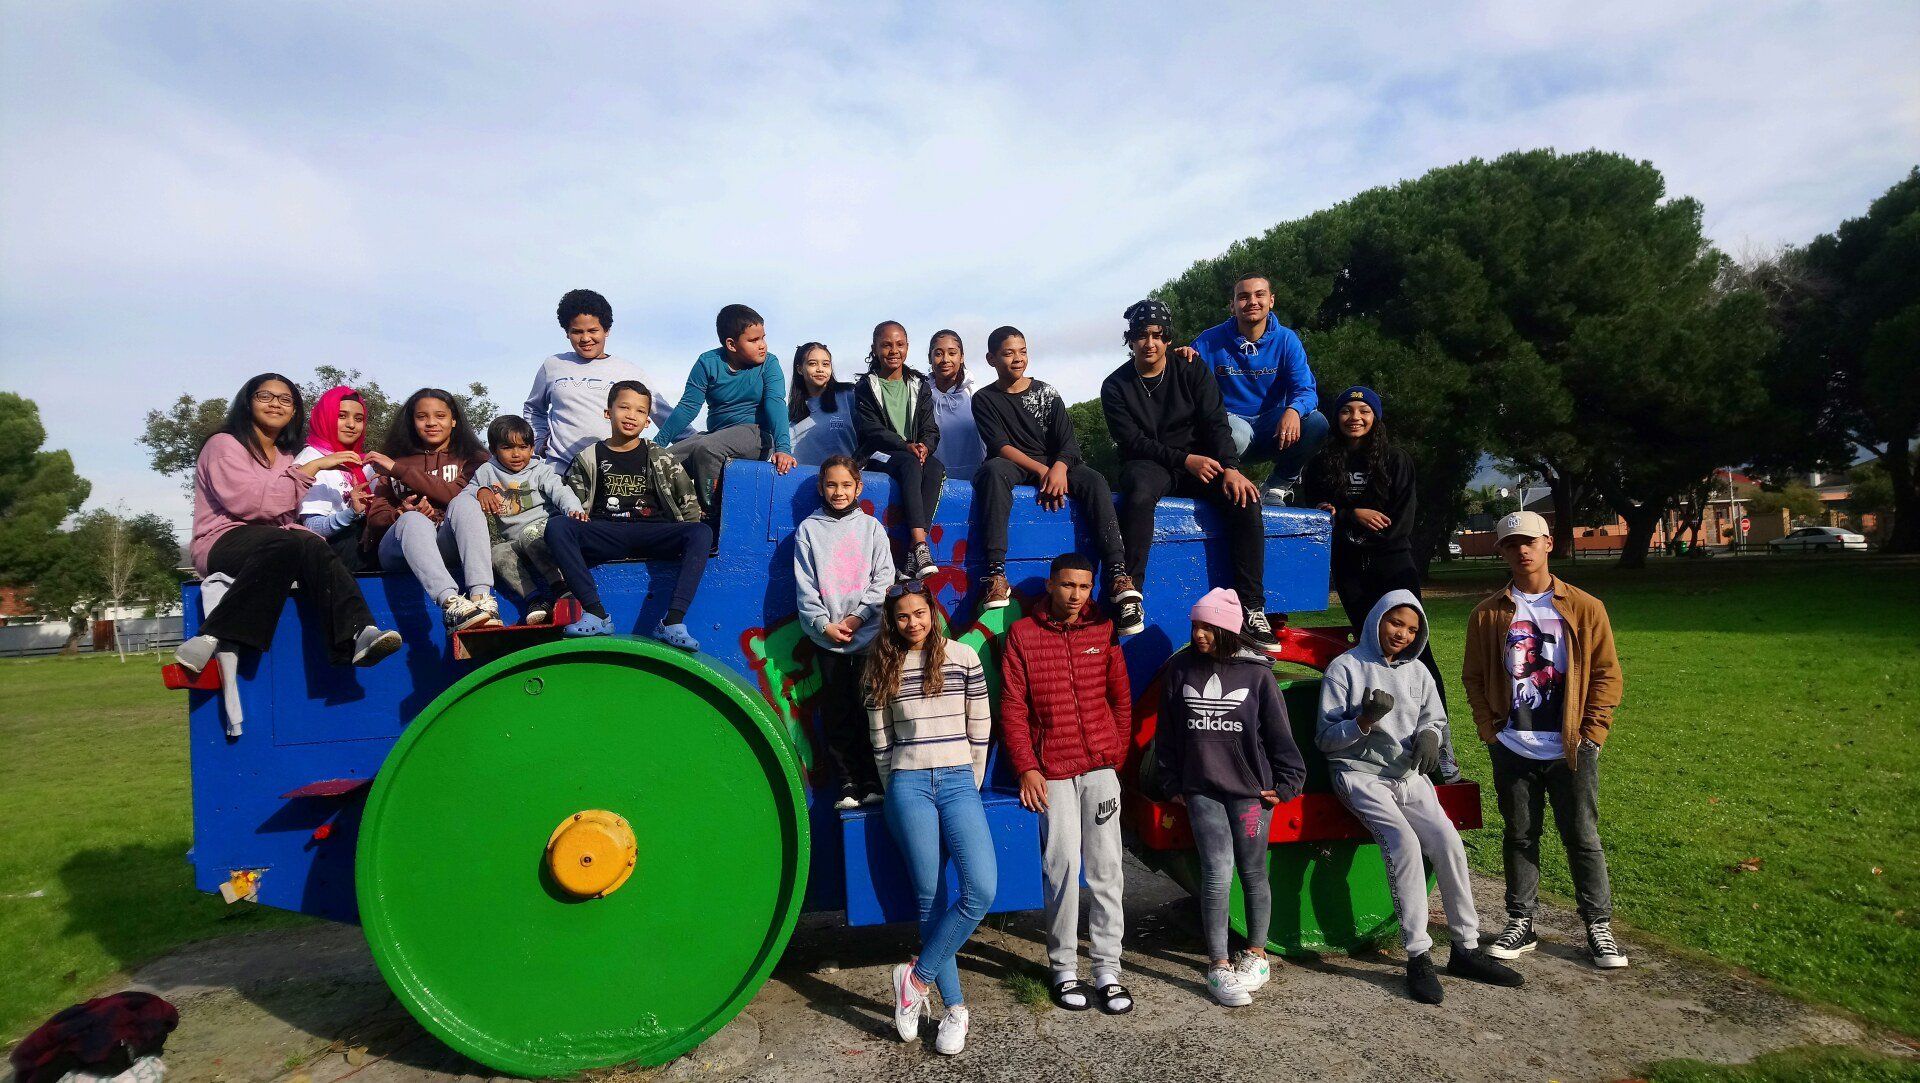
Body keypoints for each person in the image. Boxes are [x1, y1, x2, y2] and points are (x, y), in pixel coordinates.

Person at [1318, 591, 1525, 1003]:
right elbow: (1325, 740)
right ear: (1377, 619)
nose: (1403, 634)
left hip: (1408, 775)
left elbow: (1434, 716)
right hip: (1360, 775)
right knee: (1405, 845)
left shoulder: (1419, 673)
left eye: (1412, 629)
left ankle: (1465, 948)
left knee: (1448, 842)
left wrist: (1431, 735)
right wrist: (1363, 720)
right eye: (1396, 623)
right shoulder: (1345, 668)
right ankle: (1418, 955)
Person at [1464, 511, 1628, 970]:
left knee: (1582, 836)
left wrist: (1592, 732)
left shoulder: (1584, 606)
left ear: (1548, 543)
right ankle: (1521, 920)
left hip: (1571, 747)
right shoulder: (1488, 613)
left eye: (1529, 541)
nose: (1521, 550)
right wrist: (1489, 731)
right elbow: (1474, 677)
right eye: (1511, 543)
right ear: (1501, 551)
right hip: (1513, 745)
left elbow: (1606, 674)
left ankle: (1598, 926)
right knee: (1519, 834)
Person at [175, 374, 400, 675]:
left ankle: (361, 632)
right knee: (293, 541)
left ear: (294, 411)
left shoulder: (284, 457)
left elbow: (285, 517)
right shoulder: (224, 445)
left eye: (285, 399)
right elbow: (250, 505)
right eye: (265, 396)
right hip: (222, 541)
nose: (275, 404)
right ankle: (213, 633)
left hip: (277, 543)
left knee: (308, 544)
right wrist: (314, 467)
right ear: (247, 401)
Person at [1298, 385, 1461, 782]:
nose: (1355, 417)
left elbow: (1401, 521)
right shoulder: (1322, 464)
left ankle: (1440, 745)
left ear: (1375, 416)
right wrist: (1354, 514)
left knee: (1416, 653)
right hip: (1352, 568)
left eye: (1364, 410)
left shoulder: (1395, 460)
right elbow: (1317, 515)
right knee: (1370, 653)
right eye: (1347, 410)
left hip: (1392, 566)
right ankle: (1376, 745)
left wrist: (1360, 524)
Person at [1152, 587, 1305, 1007]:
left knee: (1254, 872)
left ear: (1227, 629)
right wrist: (1171, 783)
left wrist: (1289, 783)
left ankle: (1257, 954)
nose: (1199, 634)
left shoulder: (1257, 675)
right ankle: (1218, 964)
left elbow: (1279, 736)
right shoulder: (1181, 669)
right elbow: (1167, 734)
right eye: (1195, 626)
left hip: (1251, 794)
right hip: (1201, 791)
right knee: (1216, 875)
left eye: (1208, 627)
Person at [1000, 554, 1134, 1015]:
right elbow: (1013, 707)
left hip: (1099, 770)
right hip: (1051, 772)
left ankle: (1108, 971)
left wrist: (1113, 756)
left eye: (1085, 586)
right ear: (1051, 586)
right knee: (1060, 869)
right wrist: (1027, 767)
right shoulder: (1022, 634)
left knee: (1106, 870)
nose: (1077, 595)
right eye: (1068, 585)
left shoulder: (1104, 630)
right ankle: (1063, 969)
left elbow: (1120, 697)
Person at [866, 580, 993, 1056]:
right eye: (902, 616)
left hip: (960, 781)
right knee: (930, 900)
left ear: (933, 612)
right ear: (892, 622)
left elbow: (979, 722)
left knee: (981, 888)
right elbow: (880, 741)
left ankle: (914, 980)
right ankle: (955, 1009)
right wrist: (896, 784)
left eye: (920, 612)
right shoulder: (883, 665)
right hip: (909, 784)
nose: (913, 623)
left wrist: (970, 777)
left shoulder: (963, 657)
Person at [1101, 299, 1273, 646]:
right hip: (1151, 462)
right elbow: (1132, 442)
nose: (1150, 343)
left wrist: (1233, 468)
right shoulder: (1115, 386)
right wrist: (1185, 460)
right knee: (1136, 492)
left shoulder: (1191, 368)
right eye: (1142, 335)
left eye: (1158, 335)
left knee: (1244, 499)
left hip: (1201, 462)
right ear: (1130, 340)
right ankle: (1128, 596)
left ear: (1167, 339)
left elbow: (1215, 422)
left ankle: (1252, 607)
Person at [971, 326, 1135, 621]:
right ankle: (995, 575)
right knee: (992, 471)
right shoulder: (984, 399)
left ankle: (1118, 574)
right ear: (991, 358)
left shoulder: (1045, 392)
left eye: (1022, 351)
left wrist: (1058, 468)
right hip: (1017, 464)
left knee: (1095, 479)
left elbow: (1068, 442)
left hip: (1056, 463)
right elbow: (1000, 446)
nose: (1017, 359)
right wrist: (1043, 471)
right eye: (1008, 353)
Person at [546, 381, 710, 650]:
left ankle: (673, 622)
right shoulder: (588, 457)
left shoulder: (660, 457)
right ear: (608, 412)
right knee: (558, 527)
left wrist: (690, 535)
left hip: (653, 531)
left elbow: (687, 501)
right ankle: (596, 613)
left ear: (648, 421)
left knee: (701, 532)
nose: (631, 415)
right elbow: (572, 502)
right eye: (624, 407)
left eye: (640, 411)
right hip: (606, 530)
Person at [1178, 272, 1329, 503]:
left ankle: (1276, 487)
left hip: (1272, 428)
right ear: (1232, 305)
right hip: (1229, 428)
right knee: (1237, 433)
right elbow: (1187, 389)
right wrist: (1180, 360)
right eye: (1243, 297)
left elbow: (1306, 390)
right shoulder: (1209, 340)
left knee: (1317, 423)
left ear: (1271, 300)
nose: (1252, 302)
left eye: (1260, 295)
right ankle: (1220, 487)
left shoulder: (1287, 339)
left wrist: (1294, 410)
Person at [794, 455, 893, 808]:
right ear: (822, 487)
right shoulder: (809, 530)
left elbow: (884, 578)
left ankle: (872, 780)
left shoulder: (871, 528)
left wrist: (857, 619)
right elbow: (805, 586)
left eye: (846, 485)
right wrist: (824, 625)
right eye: (832, 484)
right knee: (836, 712)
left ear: (858, 488)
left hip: (868, 638)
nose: (839, 491)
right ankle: (848, 783)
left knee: (870, 709)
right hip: (828, 639)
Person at [363, 388, 497, 631]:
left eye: (440, 416)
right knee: (414, 520)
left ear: (453, 420)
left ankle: (481, 598)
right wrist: (400, 513)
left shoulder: (474, 458)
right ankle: (452, 604)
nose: (431, 423)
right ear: (412, 422)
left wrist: (399, 471)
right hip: (400, 550)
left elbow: (454, 493)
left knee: (467, 501)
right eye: (422, 416)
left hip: (447, 544)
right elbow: (376, 518)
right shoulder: (395, 460)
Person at [656, 304, 797, 511]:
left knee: (707, 449)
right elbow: (688, 406)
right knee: (661, 462)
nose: (762, 345)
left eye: (763, 338)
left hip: (756, 435)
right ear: (731, 344)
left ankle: (712, 515)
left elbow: (776, 404)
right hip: (716, 434)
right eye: (753, 340)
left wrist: (783, 448)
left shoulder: (770, 364)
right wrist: (656, 445)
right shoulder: (707, 362)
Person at [523, 288, 673, 468]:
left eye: (593, 330)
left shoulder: (629, 371)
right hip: (559, 472)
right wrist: (539, 441)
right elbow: (533, 409)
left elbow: (663, 414)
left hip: (610, 473)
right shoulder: (553, 365)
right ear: (567, 332)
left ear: (606, 330)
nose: (585, 338)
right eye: (577, 331)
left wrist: (698, 441)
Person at [467, 415, 585, 626]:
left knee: (529, 533)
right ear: (494, 450)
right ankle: (536, 600)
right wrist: (479, 490)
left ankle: (560, 587)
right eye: (507, 447)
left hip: (542, 530)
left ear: (532, 449)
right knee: (497, 552)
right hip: (512, 539)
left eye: (523, 447)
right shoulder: (486, 471)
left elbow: (560, 491)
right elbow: (465, 496)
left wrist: (574, 510)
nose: (516, 454)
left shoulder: (541, 470)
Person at [851, 321, 942, 580]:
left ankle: (913, 558)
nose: (894, 350)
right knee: (909, 463)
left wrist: (926, 446)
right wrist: (905, 445)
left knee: (935, 467)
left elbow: (930, 428)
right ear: (875, 349)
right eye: (886, 345)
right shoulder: (866, 386)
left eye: (899, 344)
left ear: (907, 347)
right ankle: (920, 544)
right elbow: (871, 430)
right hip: (878, 454)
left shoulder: (918, 384)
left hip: (911, 453)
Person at [295, 385, 374, 572]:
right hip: (333, 552)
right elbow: (312, 527)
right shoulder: (311, 459)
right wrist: (352, 513)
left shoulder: (362, 463)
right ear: (325, 417)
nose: (351, 425)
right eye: (341, 416)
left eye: (359, 419)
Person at [927, 330, 985, 479]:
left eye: (952, 353)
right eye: (938, 354)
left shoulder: (977, 395)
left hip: (974, 480)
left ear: (962, 357)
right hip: (934, 479)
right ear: (930, 358)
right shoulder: (921, 395)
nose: (945, 359)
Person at [787, 342, 857, 465]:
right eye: (812, 364)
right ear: (799, 369)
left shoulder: (849, 395)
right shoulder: (789, 412)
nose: (820, 369)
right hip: (802, 482)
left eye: (825, 364)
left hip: (843, 480)